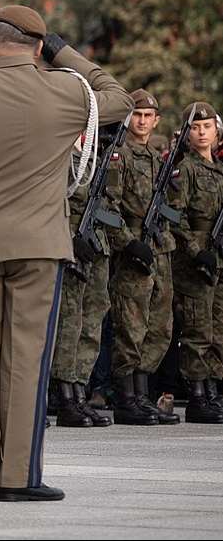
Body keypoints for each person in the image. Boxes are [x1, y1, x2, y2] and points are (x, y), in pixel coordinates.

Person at [0, 4, 133, 502]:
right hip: (39, 248)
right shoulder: (63, 91)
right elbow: (120, 99)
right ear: (39, 46)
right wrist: (65, 54)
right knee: (25, 361)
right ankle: (17, 477)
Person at [105, 89, 181, 425]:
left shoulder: (156, 158)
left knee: (160, 326)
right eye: (137, 114)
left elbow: (171, 210)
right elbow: (106, 211)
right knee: (130, 326)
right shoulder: (117, 157)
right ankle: (126, 398)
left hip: (160, 248)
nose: (142, 121)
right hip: (133, 249)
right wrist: (128, 242)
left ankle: (142, 392)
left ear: (157, 120)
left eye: (148, 116)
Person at [49, 136, 115, 428]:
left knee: (92, 319)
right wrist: (69, 238)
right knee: (69, 322)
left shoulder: (95, 159)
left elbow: (108, 205)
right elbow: (50, 202)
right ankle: (64, 395)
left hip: (96, 245)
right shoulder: (59, 155)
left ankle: (79, 389)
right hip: (71, 242)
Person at [170, 102, 223, 423]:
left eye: (207, 127)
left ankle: (213, 390)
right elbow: (175, 216)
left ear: (217, 131)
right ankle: (197, 396)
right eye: (195, 127)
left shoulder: (219, 170)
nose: (201, 132)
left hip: (218, 256)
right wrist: (194, 250)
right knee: (197, 328)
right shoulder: (184, 169)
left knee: (218, 328)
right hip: (196, 259)